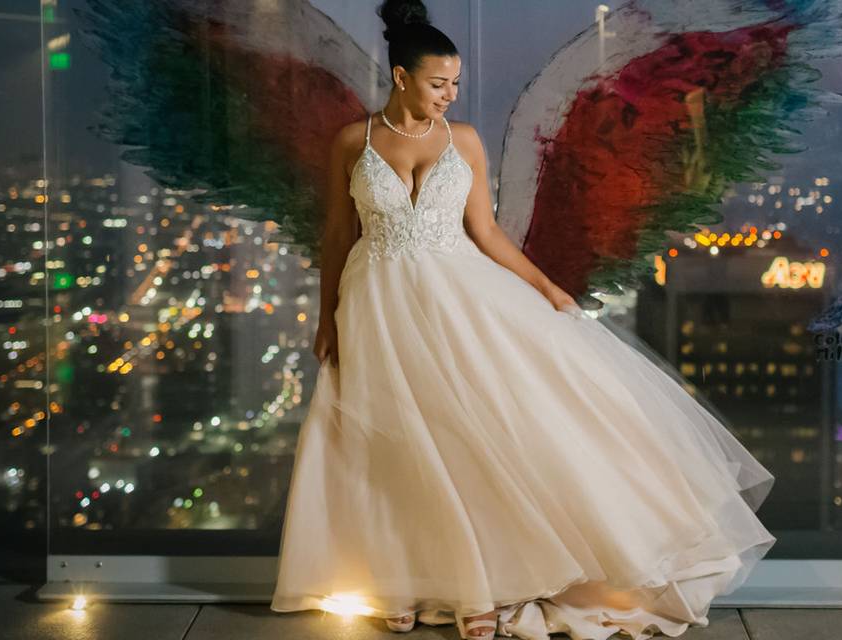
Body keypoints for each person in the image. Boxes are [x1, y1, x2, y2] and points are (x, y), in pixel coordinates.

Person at [269, 1, 776, 638]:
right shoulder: (353, 141)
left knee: (465, 437)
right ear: (400, 77)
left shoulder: (465, 141)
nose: (449, 95)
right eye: (437, 83)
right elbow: (337, 237)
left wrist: (547, 288)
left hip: (460, 299)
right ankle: (397, 577)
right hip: (376, 300)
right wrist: (326, 317)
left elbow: (485, 232)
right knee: (389, 443)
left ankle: (480, 585)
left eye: (456, 83)